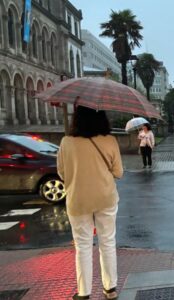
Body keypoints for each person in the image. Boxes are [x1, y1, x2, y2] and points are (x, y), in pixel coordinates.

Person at [57, 106, 123, 300]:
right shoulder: (110, 140)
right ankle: (110, 288)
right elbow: (118, 172)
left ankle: (84, 292)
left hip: (77, 199)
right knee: (108, 242)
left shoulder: (66, 142)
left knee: (83, 245)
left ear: (76, 119)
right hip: (106, 197)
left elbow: (61, 172)